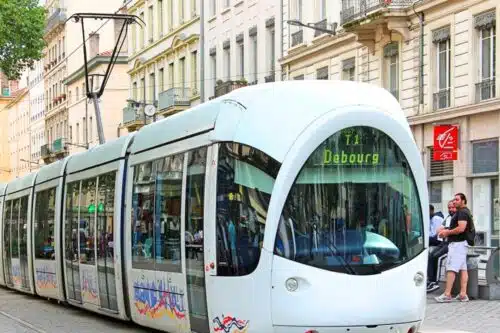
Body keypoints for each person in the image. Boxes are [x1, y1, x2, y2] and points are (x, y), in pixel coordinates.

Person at [435, 193, 472, 302]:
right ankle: (463, 294)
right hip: (461, 244)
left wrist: (447, 232)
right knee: (463, 268)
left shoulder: (462, 212)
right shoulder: (464, 212)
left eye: (457, 199)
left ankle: (447, 294)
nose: (454, 201)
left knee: (451, 268)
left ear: (463, 201)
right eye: (454, 199)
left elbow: (461, 228)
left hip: (457, 244)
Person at [427, 200, 455, 293]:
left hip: (451, 243)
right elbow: (439, 230)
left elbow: (451, 230)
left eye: (452, 207)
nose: (451, 209)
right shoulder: (448, 217)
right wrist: (444, 230)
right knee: (430, 256)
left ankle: (435, 282)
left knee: (437, 257)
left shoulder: (458, 217)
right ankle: (431, 280)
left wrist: (446, 230)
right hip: (443, 242)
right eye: (449, 207)